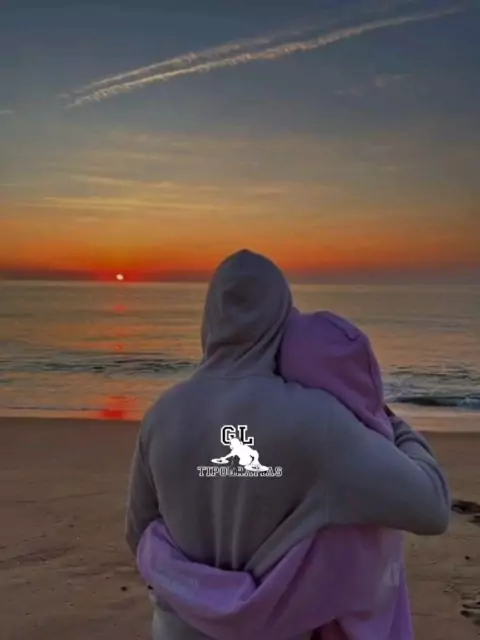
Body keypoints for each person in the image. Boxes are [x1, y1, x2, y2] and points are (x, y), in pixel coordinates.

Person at [126, 249, 450, 640]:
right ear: (283, 320)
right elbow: (432, 507)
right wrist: (393, 425)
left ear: (208, 318)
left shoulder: (162, 415)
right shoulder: (318, 420)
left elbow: (139, 534)